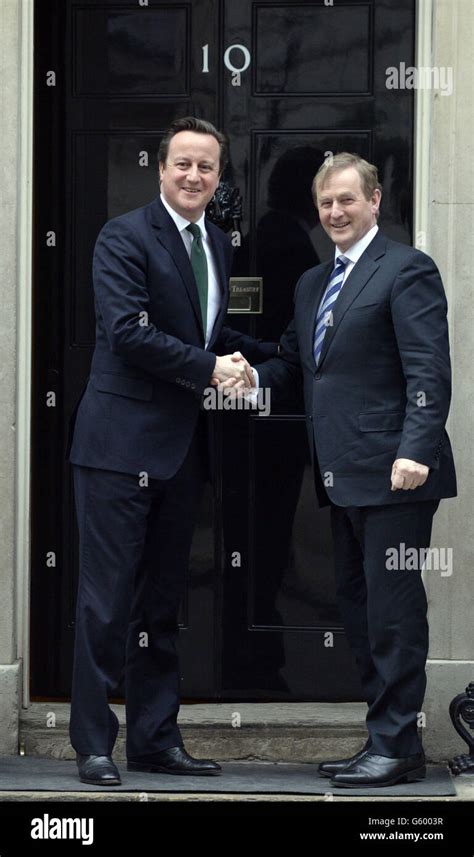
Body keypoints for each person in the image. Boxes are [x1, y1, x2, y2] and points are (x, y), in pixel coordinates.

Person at [68, 116, 276, 785]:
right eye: (182, 163)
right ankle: (95, 744)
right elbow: (128, 332)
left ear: (219, 178)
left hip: (182, 452)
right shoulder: (123, 236)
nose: (193, 176)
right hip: (117, 446)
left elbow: (205, 336)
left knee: (162, 603)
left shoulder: (216, 241)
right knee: (106, 602)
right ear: (160, 168)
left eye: (206, 167)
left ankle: (155, 739)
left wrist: (276, 360)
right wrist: (213, 370)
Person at [251, 152, 456, 788]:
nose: (335, 212)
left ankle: (397, 747)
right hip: (340, 477)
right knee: (362, 613)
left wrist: (415, 450)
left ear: (373, 202)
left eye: (346, 200)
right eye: (326, 204)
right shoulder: (314, 284)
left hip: (396, 477)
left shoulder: (406, 269)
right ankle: (385, 741)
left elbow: (429, 369)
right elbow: (294, 364)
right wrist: (234, 371)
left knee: (393, 615)